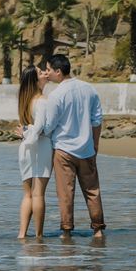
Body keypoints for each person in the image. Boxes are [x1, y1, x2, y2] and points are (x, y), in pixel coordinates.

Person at [43, 54, 106, 238]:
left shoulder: (56, 95)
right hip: (86, 148)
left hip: (63, 150)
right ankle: (98, 229)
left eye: (49, 70)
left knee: (65, 192)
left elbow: (50, 125)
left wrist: (34, 131)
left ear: (58, 72)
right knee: (92, 190)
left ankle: (66, 231)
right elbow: (97, 120)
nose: (47, 74)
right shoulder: (90, 89)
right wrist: (95, 144)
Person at [15, 65, 53, 239]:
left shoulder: (26, 100)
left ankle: (22, 235)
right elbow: (39, 128)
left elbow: (29, 128)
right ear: (35, 80)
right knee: (38, 194)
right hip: (39, 147)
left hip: (25, 147)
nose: (45, 73)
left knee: (28, 194)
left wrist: (26, 135)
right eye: (40, 72)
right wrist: (30, 136)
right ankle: (39, 236)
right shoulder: (42, 100)